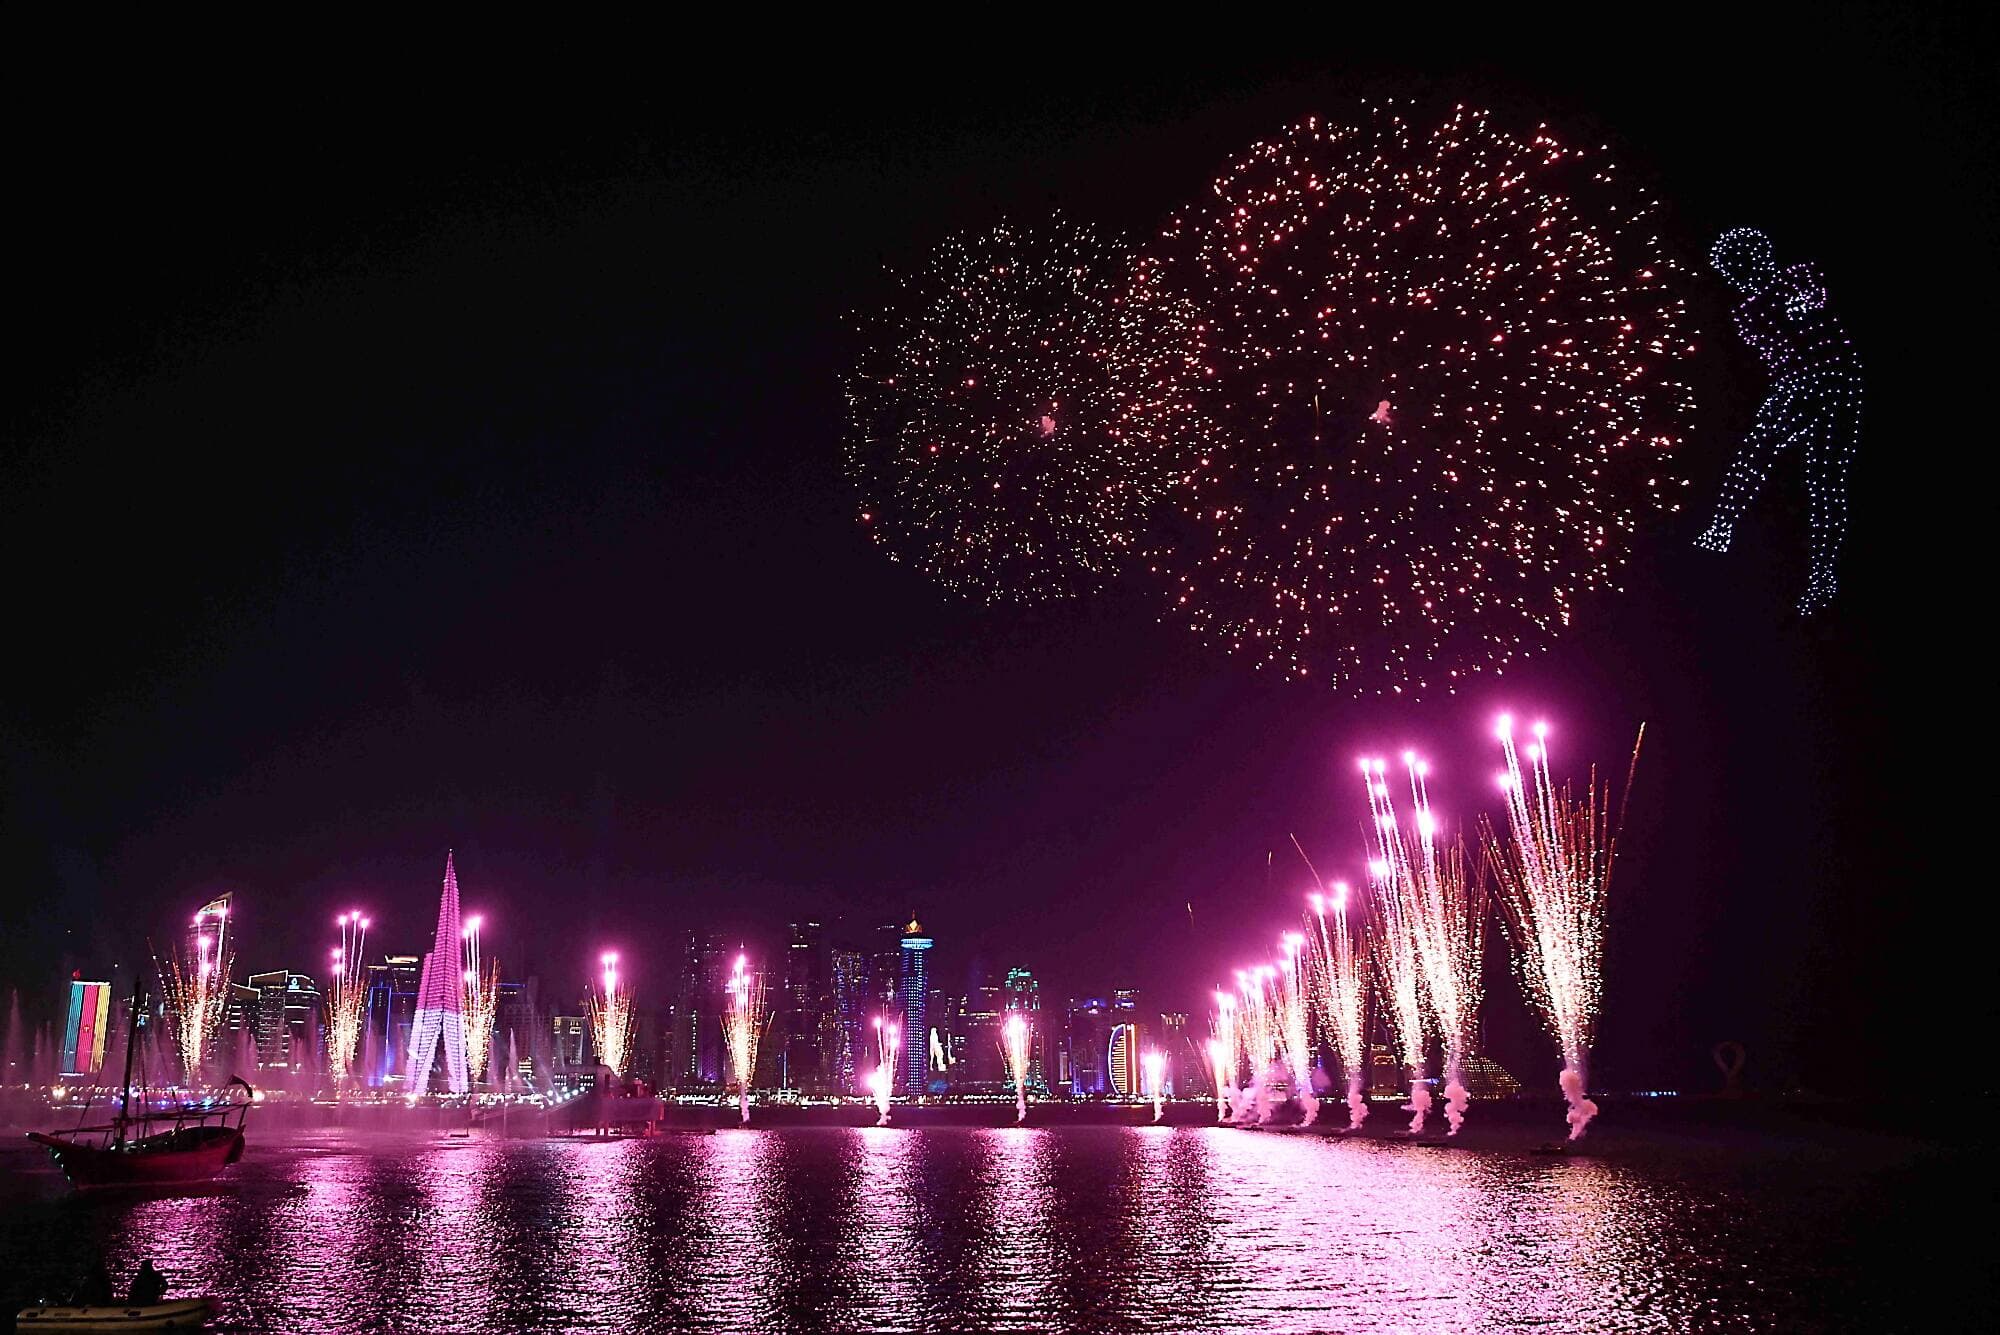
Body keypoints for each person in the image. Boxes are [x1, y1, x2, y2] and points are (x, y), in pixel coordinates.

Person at [1692, 227, 1862, 616]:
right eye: (1730, 270)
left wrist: (1798, 306)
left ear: (1758, 258)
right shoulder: (1748, 311)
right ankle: (1722, 528)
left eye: (1739, 264)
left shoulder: (1798, 276)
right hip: (1801, 383)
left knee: (1825, 483)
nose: (1735, 276)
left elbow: (1811, 303)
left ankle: (1821, 577)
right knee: (1760, 452)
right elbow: (1774, 347)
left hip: (1833, 378)